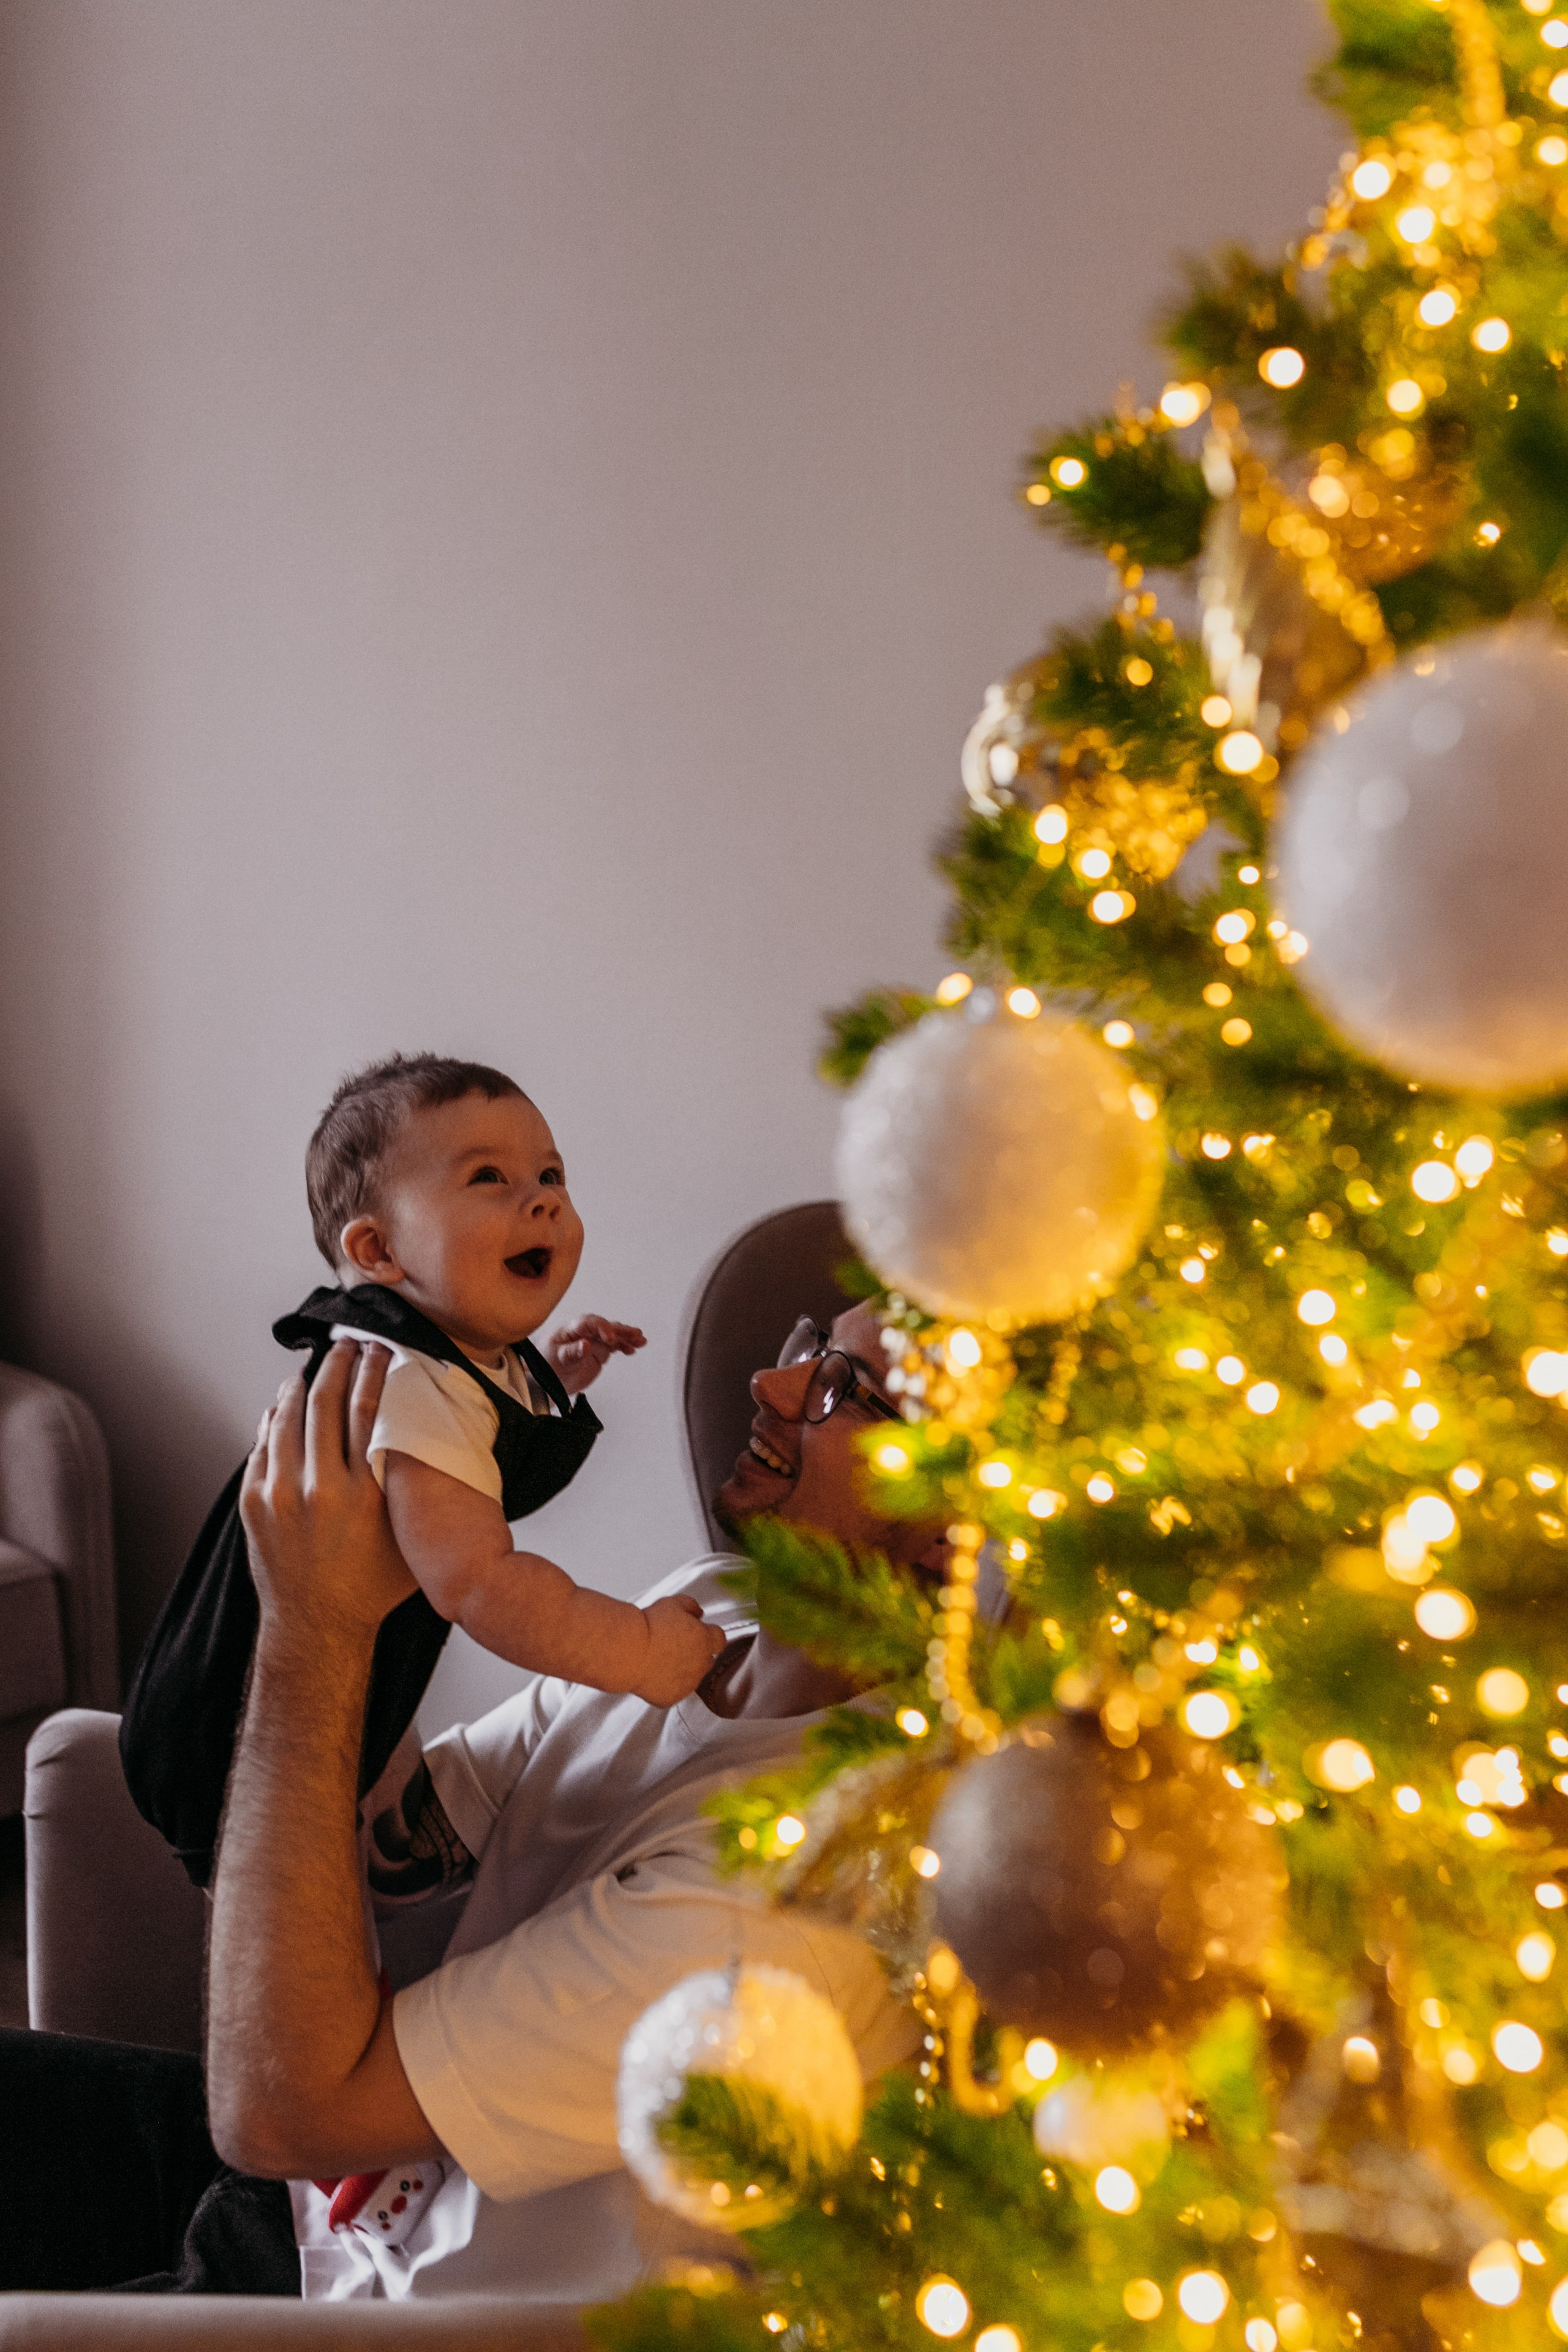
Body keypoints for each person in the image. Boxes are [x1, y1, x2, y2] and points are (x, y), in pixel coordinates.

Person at [0, 1298, 948, 2299]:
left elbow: (279, 2112)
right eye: (810, 1342)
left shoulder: (788, 1892)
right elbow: (398, 1855)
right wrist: (405, 1560)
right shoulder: (706, 1614)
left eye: (847, 1390)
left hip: (374, 2304)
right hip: (311, 2199)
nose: (774, 1383)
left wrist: (317, 1632)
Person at [119, 1052, 726, 1893]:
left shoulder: (449, 1358)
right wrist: (640, 1652)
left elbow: (482, 1459)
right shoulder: (399, 1377)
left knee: (366, 1773)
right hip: (234, 1731)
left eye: (550, 1173)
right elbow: (483, 1585)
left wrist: (554, 1377)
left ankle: (383, 1835)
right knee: (293, 1893)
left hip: (339, 1676)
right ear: (379, 1250)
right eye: (490, 1178)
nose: (543, 1196)